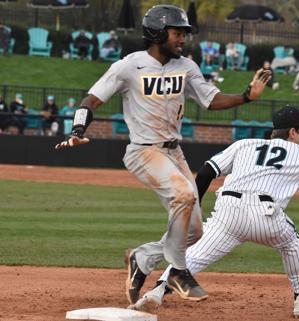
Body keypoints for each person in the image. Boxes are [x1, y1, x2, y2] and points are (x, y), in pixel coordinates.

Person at [54, 4, 270, 306]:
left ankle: (142, 257)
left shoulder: (187, 67)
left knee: (194, 232)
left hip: (174, 152)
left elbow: (211, 100)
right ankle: (179, 271)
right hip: (144, 151)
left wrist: (246, 96)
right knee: (184, 195)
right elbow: (90, 99)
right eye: (176, 32)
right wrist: (77, 131)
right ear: (157, 33)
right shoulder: (130, 65)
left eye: (184, 33)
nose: (182, 38)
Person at [132, 105, 299, 318]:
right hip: (266, 215)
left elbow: (206, 171)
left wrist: (195, 207)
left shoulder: (244, 145)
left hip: (228, 213)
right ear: (292, 132)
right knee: (291, 241)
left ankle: (155, 293)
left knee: (195, 255)